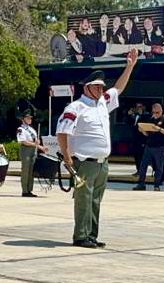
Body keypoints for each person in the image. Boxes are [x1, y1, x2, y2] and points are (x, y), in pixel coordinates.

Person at [57, 49, 137, 248]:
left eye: (102, 87)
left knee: (95, 200)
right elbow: (62, 133)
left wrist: (129, 67)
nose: (102, 91)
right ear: (87, 88)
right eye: (97, 87)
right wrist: (67, 158)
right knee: (83, 199)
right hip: (85, 163)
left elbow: (118, 88)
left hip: (102, 164)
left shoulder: (102, 103)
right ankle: (81, 236)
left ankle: (91, 235)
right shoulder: (75, 108)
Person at [133, 103, 164, 191]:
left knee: (158, 167)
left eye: (157, 112)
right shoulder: (150, 119)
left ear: (161, 111)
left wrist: (159, 129)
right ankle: (141, 184)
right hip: (149, 146)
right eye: (154, 112)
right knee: (143, 165)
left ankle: (156, 185)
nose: (155, 114)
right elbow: (147, 134)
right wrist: (143, 130)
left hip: (160, 147)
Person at [16, 109, 47, 197]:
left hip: (33, 151)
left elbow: (36, 141)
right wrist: (36, 144)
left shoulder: (32, 129)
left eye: (30, 118)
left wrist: (39, 143)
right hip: (26, 150)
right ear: (23, 119)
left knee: (31, 171)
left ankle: (29, 189)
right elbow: (23, 141)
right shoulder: (20, 129)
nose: (30, 119)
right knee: (25, 171)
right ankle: (24, 190)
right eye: (28, 118)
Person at [127, 102, 147, 176]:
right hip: (135, 138)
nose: (138, 108)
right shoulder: (135, 116)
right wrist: (129, 115)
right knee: (136, 155)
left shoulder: (146, 115)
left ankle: (142, 171)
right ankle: (138, 170)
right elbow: (129, 122)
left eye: (140, 106)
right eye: (137, 107)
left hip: (142, 139)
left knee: (141, 156)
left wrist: (141, 114)